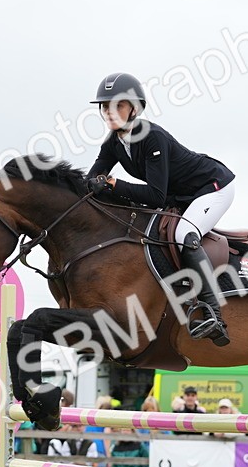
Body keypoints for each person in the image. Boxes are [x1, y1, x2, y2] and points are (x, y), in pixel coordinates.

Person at [85, 72, 236, 346]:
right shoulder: (113, 142)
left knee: (184, 235)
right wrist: (93, 185)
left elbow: (155, 196)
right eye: (105, 106)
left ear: (134, 108)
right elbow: (93, 177)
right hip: (180, 196)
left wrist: (113, 184)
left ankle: (213, 312)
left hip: (212, 187)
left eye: (118, 105)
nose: (110, 112)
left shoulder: (152, 137)